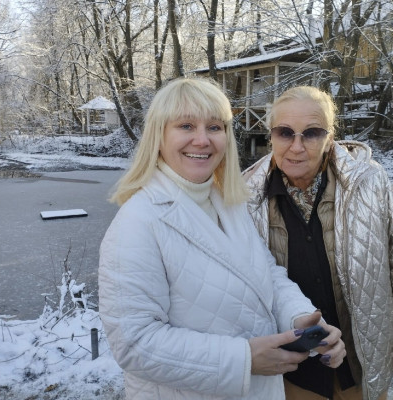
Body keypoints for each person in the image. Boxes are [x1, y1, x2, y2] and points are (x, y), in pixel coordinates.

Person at [98, 78, 345, 399]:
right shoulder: (138, 222)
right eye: (186, 126)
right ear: (158, 135)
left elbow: (267, 277)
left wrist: (302, 319)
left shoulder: (228, 204)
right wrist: (244, 359)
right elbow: (134, 345)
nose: (202, 140)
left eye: (215, 127)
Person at [244, 85, 393, 400]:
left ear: (330, 138)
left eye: (311, 133)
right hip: (294, 376)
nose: (296, 147)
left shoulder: (369, 184)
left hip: (361, 367)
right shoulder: (246, 198)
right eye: (285, 133)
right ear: (271, 136)